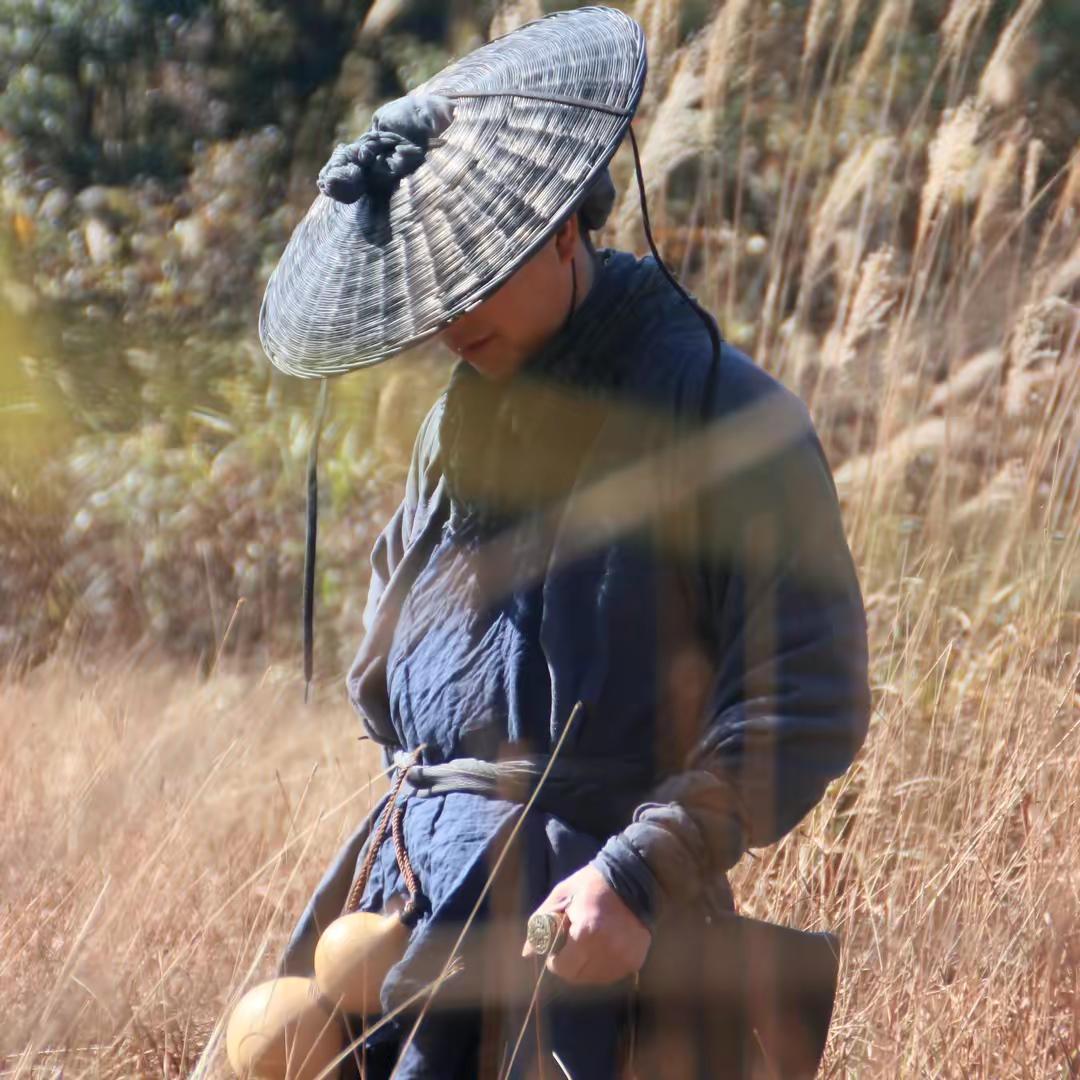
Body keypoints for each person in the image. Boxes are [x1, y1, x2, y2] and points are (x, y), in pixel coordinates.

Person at [259, 8, 870, 1078]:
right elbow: (390, 673)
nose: (449, 319)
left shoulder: (720, 412)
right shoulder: (460, 416)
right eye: (430, 292)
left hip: (583, 936)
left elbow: (805, 694)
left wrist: (636, 873)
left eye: (475, 274)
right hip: (412, 907)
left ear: (557, 223)